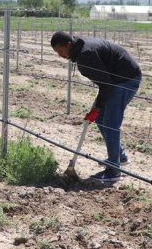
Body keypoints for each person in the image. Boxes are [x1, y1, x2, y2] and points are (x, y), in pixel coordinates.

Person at [50, 31, 142, 182]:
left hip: (125, 79)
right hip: (115, 79)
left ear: (68, 45)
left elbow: (106, 84)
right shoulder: (81, 49)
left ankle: (114, 170)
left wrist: (98, 106)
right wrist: (97, 109)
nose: (60, 55)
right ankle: (120, 157)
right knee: (100, 119)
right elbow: (104, 82)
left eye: (60, 51)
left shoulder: (85, 56)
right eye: (57, 53)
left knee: (111, 123)